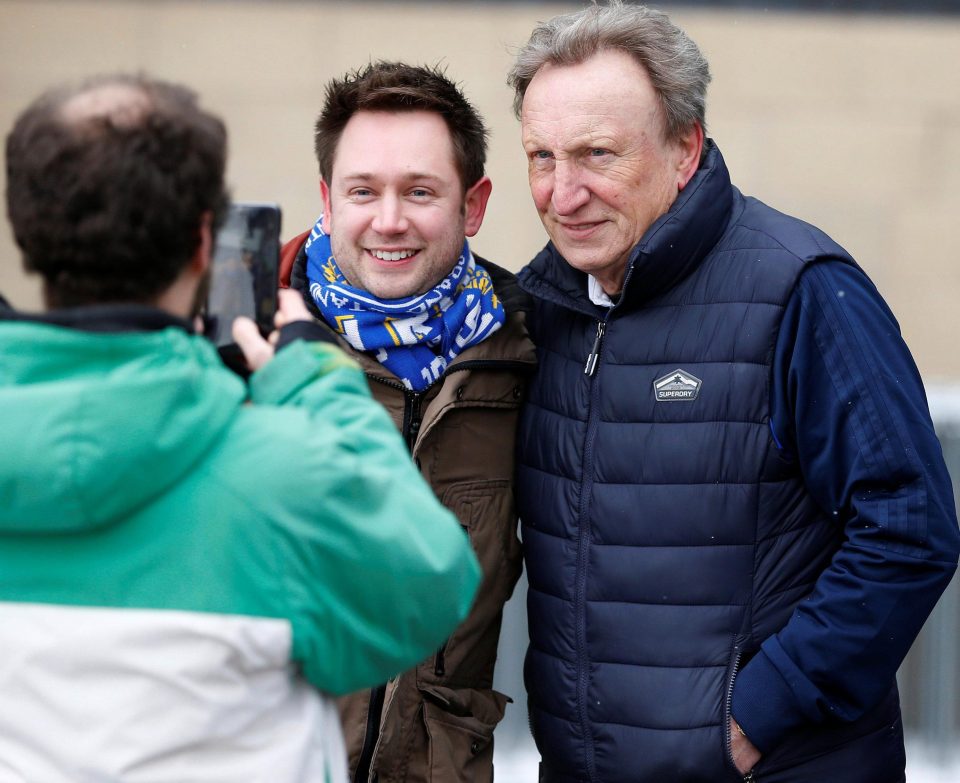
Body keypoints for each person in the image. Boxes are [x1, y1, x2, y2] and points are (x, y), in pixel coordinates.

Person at [507, 3, 960, 782]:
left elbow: (909, 530)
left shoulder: (803, 291)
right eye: (542, 157)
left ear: (686, 149)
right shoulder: (539, 309)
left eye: (596, 155)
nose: (563, 192)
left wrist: (758, 715)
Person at [0, 73, 481, 783]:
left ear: (26, 230)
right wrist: (321, 385)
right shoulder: (284, 468)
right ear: (205, 242)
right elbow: (429, 585)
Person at [278, 61, 536, 782]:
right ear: (328, 201)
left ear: (473, 204)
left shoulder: (529, 359)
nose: (389, 220)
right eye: (363, 191)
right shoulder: (248, 353)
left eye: (421, 191)